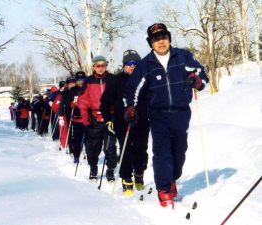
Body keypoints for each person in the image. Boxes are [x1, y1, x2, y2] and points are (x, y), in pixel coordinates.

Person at [123, 23, 209, 208]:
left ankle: (172, 179)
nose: (161, 42)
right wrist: (130, 108)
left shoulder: (183, 56)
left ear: (169, 38)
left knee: (179, 153)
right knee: (162, 153)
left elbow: (202, 73)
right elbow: (132, 91)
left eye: (163, 37)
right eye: (156, 39)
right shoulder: (145, 65)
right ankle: (163, 189)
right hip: (158, 115)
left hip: (181, 114)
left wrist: (198, 80)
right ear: (150, 42)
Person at [100, 50, 149, 196]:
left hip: (142, 121)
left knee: (141, 150)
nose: (133, 66)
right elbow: (105, 103)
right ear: (124, 65)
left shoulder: (145, 79)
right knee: (126, 150)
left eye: (136, 63)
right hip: (123, 122)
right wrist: (108, 120)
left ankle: (139, 174)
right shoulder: (116, 80)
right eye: (129, 63)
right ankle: (126, 179)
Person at [77, 56, 117, 181]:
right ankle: (93, 169)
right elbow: (82, 100)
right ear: (93, 67)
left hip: (109, 117)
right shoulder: (88, 81)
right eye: (98, 65)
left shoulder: (112, 79)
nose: (101, 68)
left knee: (110, 147)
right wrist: (85, 117)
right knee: (93, 147)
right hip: (93, 118)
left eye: (103, 65)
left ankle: (110, 170)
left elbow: (118, 96)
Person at [59, 72, 86, 163]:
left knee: (88, 137)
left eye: (82, 79)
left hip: (87, 117)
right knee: (76, 137)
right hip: (75, 117)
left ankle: (86, 153)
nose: (81, 82)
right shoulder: (71, 91)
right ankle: (75, 154)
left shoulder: (88, 88)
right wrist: (72, 104)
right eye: (79, 80)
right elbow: (66, 103)